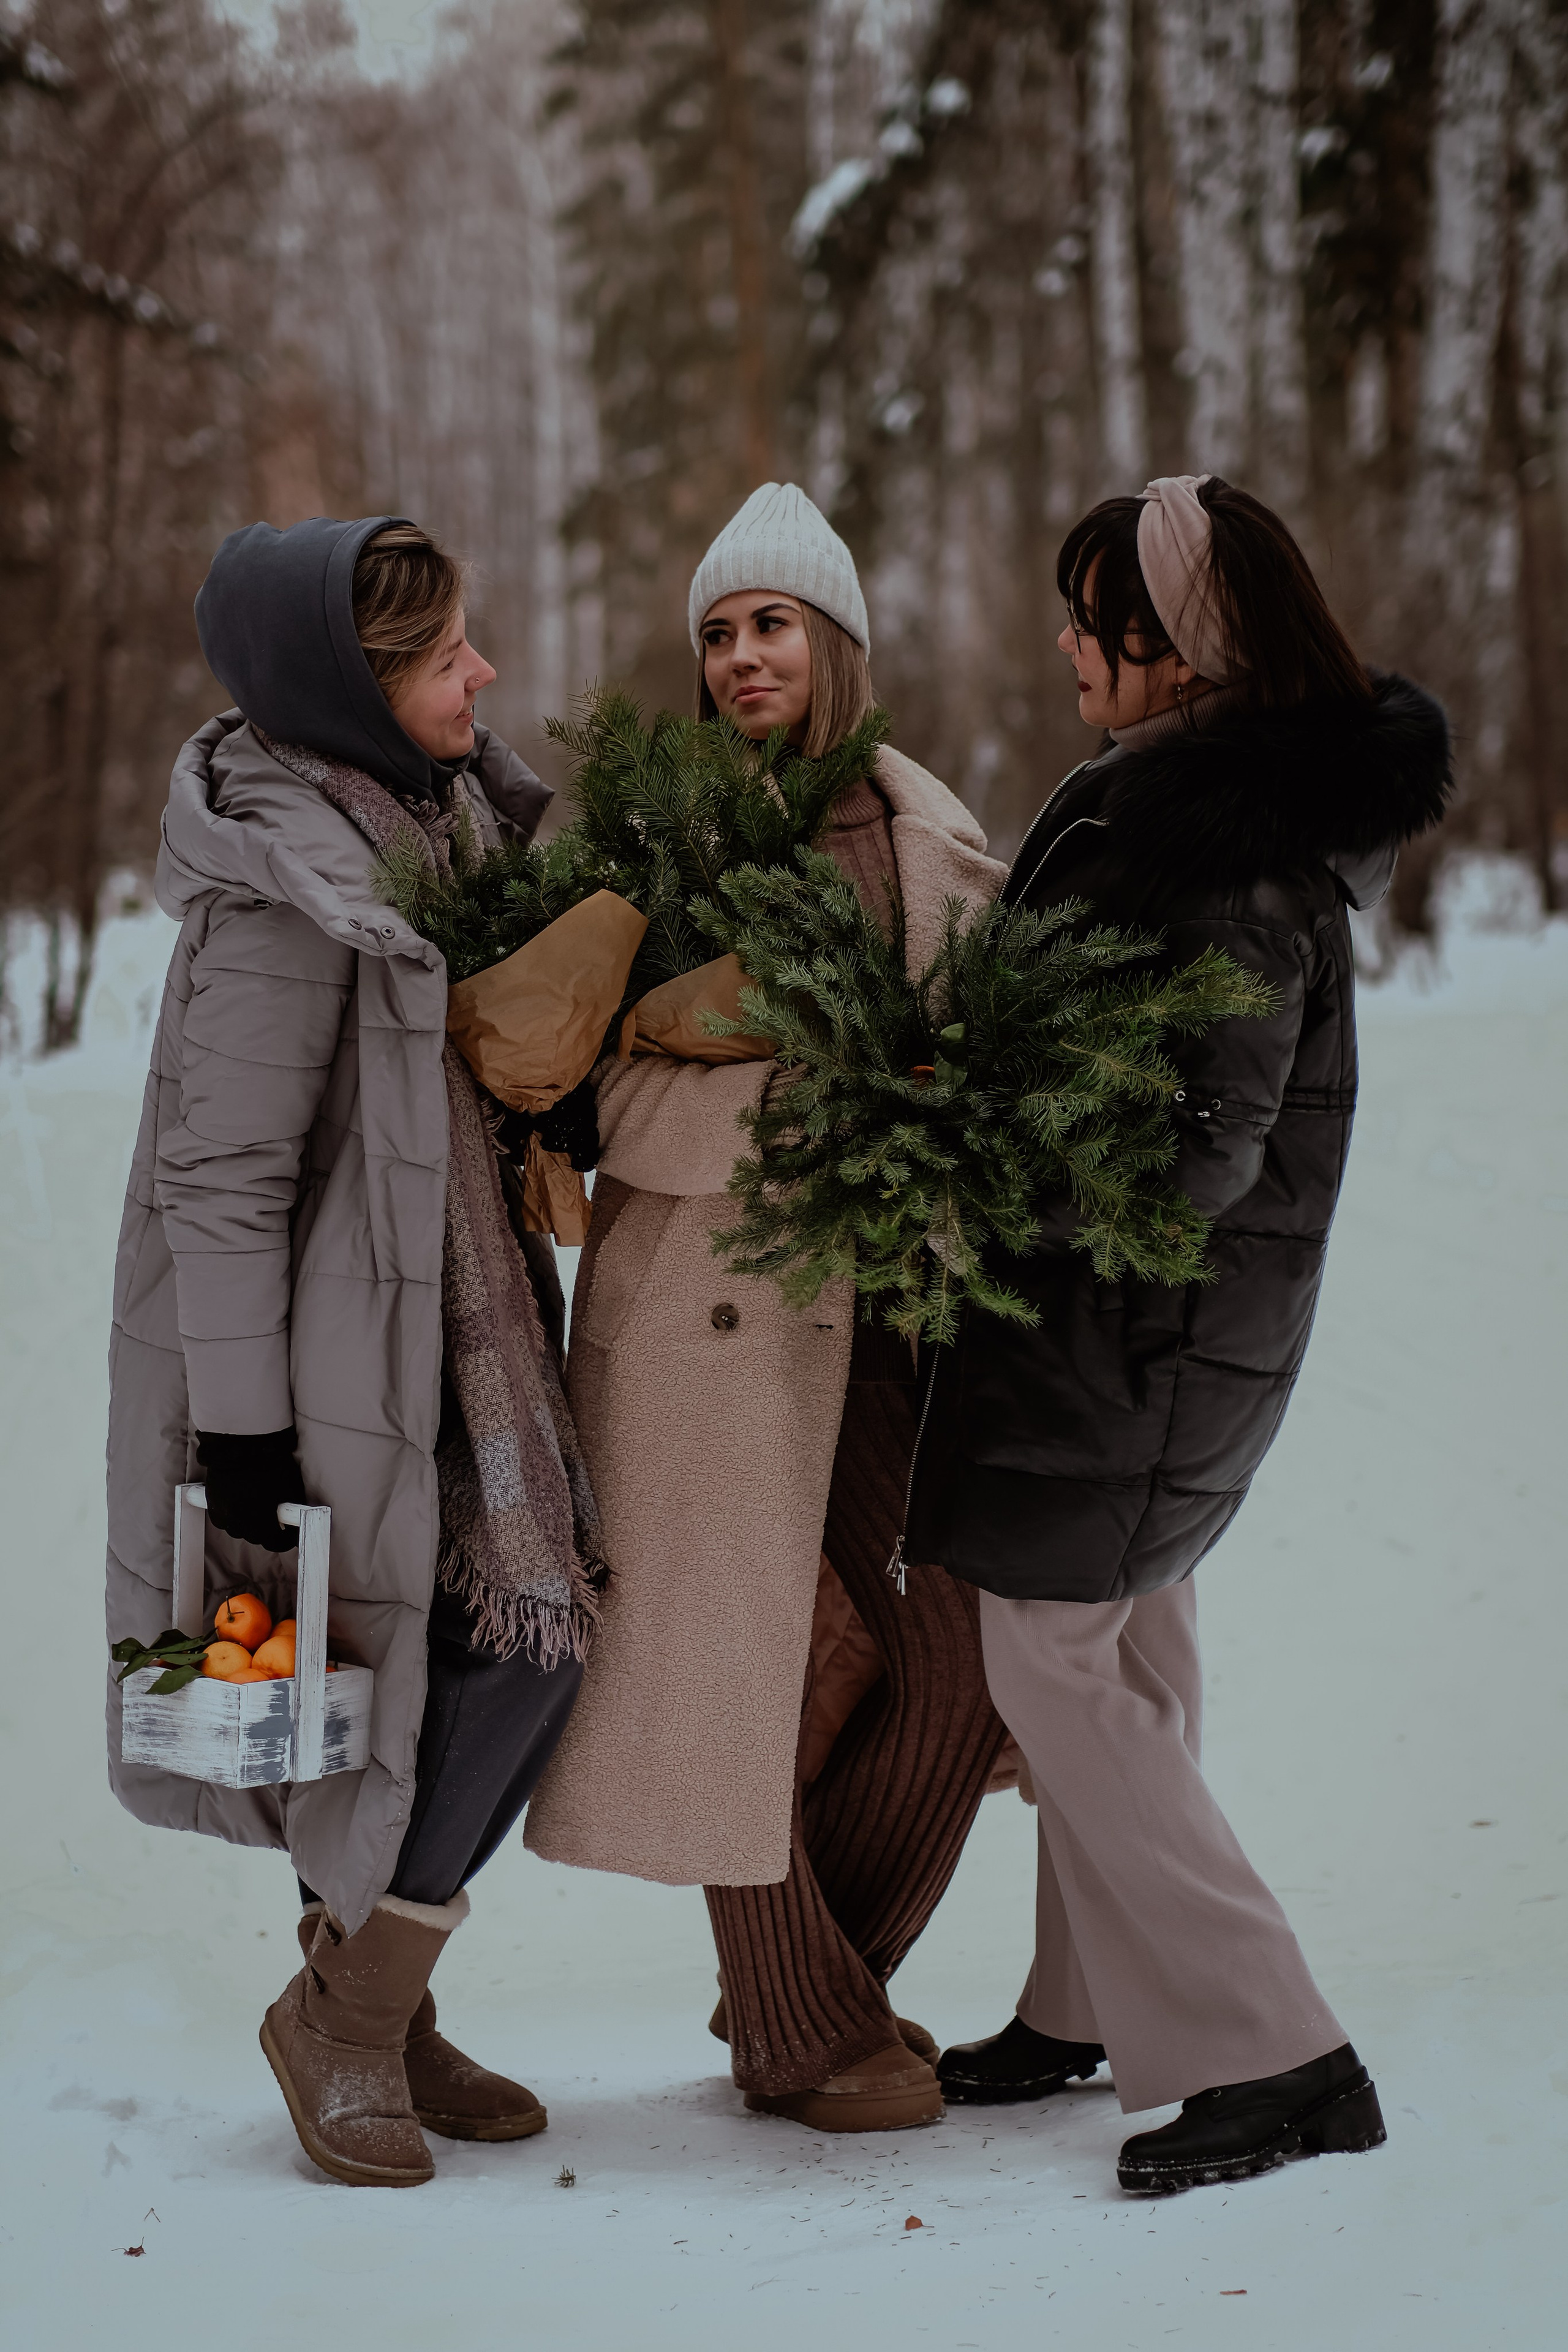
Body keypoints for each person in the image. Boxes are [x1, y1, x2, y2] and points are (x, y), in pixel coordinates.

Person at [903, 474, 1452, 2193]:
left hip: (1142, 1336)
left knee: (1054, 1664)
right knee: (1128, 1649)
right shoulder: (1183, 802)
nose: (1070, 640)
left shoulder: (1228, 854)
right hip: (1153, 1339)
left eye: (1099, 615)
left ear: (1186, 641)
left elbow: (1192, 1145)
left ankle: (1279, 2050)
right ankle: (1086, 1996)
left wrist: (976, 1135)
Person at [106, 516, 604, 2188]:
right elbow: (221, 1181)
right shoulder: (283, 887)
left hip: (452, 1327)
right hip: (334, 1370)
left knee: (486, 1654)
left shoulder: (439, 825)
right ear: (357, 684)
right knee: (490, 1655)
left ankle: (372, 1995)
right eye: (447, 652)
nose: (484, 674)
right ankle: (350, 2012)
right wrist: (243, 1437)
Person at [525, 482, 1014, 2130]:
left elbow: (989, 1064)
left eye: (773, 621)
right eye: (719, 632)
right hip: (709, 1319)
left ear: (839, 640)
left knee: (956, 1653)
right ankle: (808, 2031)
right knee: (755, 1657)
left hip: (903, 1310)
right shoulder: (658, 854)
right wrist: (816, 1094)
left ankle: (810, 1988)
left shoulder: (928, 827)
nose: (743, 654)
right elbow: (599, 1114)